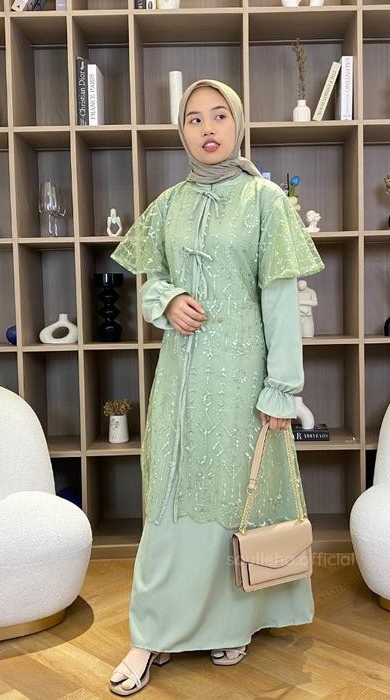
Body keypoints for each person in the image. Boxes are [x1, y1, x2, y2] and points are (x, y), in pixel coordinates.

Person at [107, 78, 325, 696]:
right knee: (172, 494)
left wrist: (282, 389)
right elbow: (150, 282)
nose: (208, 128)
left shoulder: (266, 201)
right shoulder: (169, 203)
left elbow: (281, 302)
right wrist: (168, 298)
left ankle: (232, 622)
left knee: (234, 500)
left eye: (219, 115)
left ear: (238, 123)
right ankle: (151, 632)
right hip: (180, 374)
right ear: (182, 131)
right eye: (195, 118)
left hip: (241, 376)